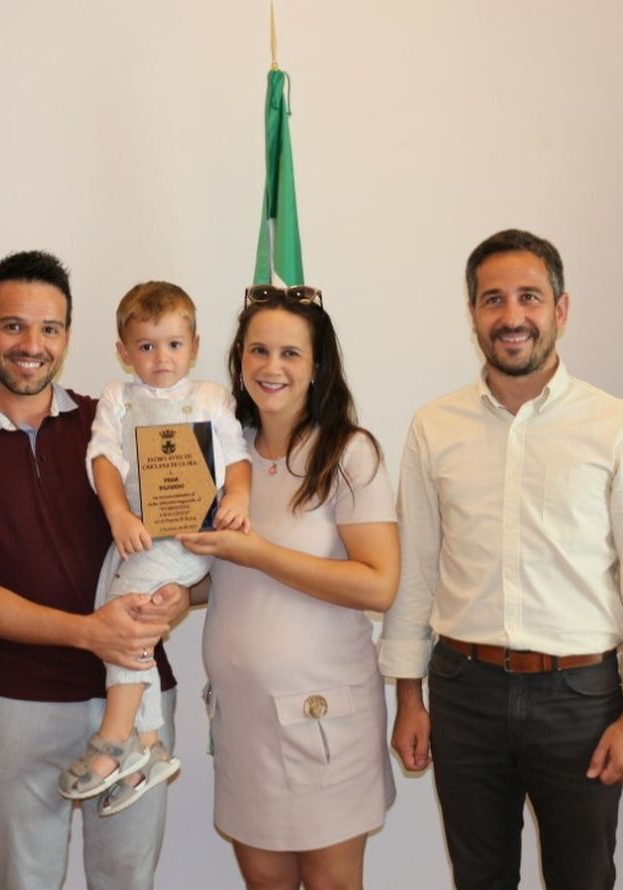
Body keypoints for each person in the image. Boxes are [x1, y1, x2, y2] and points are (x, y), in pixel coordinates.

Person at [378, 229, 623, 890]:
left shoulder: (618, 427)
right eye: (493, 299)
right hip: (464, 692)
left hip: (581, 700)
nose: (511, 316)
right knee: (479, 879)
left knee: (583, 879)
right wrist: (408, 695)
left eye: (529, 297)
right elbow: (417, 570)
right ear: (472, 314)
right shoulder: (435, 427)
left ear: (560, 310)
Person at [0, 250, 192, 890]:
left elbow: (185, 541)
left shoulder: (112, 423)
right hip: (23, 709)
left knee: (128, 883)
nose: (32, 346)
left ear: (67, 335)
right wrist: (89, 633)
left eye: (50, 329)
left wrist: (180, 594)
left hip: (138, 696)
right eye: (13, 326)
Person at [179, 283, 400, 890]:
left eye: (290, 353)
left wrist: (260, 552)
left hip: (324, 719)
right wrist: (180, 593)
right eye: (258, 350)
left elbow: (379, 584)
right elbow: (228, 569)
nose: (271, 367)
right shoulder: (223, 454)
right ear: (239, 359)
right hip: (243, 718)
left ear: (317, 366)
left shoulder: (347, 453)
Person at [59, 281, 251, 815]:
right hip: (138, 534)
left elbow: (236, 457)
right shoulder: (118, 399)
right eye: (146, 346)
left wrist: (237, 497)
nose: (161, 357)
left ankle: (114, 737)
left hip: (190, 535)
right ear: (124, 352)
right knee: (119, 610)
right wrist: (118, 515)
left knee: (126, 616)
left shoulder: (211, 397)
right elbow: (102, 459)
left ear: (194, 346)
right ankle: (149, 746)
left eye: (173, 344)